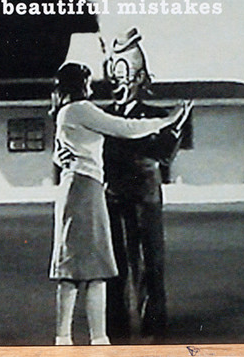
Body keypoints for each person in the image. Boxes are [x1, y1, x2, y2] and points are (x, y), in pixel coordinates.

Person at [49, 61, 190, 346]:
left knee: (85, 267)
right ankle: (86, 337)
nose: (94, 85)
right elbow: (125, 128)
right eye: (88, 80)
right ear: (81, 84)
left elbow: (60, 151)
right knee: (90, 268)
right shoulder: (81, 108)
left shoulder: (67, 111)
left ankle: (84, 337)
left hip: (83, 187)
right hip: (86, 189)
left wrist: (63, 158)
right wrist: (168, 119)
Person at [103, 28, 186, 342]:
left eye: (125, 75)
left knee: (151, 266)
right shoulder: (103, 116)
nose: (118, 83)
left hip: (146, 201)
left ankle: (154, 327)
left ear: (140, 78)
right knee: (114, 267)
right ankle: (116, 329)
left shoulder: (156, 116)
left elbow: (164, 154)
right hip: (113, 199)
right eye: (114, 74)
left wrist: (173, 130)